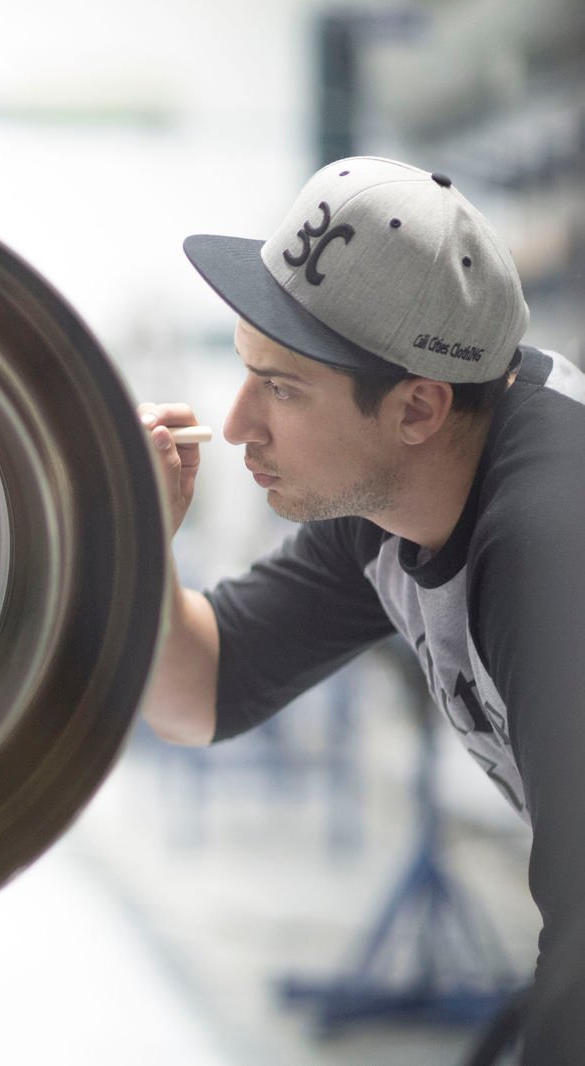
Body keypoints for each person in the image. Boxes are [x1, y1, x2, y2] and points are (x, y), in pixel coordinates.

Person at [139, 155, 585, 1065]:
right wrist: (139, 545)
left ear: (417, 406)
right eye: (245, 371)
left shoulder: (549, 545)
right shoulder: (383, 500)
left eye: (282, 388)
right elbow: (201, 691)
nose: (234, 427)